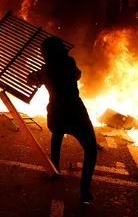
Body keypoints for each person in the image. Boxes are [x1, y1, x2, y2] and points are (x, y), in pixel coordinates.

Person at [27, 37, 97, 203]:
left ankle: (55, 167)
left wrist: (36, 78)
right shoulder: (70, 62)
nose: (41, 54)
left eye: (42, 51)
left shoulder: (46, 70)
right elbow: (78, 74)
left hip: (56, 112)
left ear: (47, 53)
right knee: (91, 150)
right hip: (76, 112)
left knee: (57, 134)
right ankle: (84, 191)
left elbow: (32, 79)